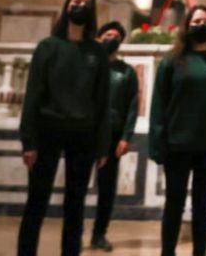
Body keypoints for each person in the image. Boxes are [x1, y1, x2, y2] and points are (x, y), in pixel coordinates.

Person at [17, 0, 111, 256]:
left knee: (75, 204)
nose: (80, 6)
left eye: (85, 3)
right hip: (48, 131)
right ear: (67, 6)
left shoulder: (97, 52)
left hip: (83, 135)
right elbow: (33, 95)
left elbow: (103, 102)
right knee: (36, 201)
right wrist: (29, 140)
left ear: (91, 11)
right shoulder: (48, 47)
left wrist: (102, 145)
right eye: (75, 1)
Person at [150, 5, 206, 256]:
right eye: (197, 21)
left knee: (203, 205)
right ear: (187, 26)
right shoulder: (172, 60)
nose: (201, 25)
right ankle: (168, 252)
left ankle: (199, 252)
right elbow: (159, 102)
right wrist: (158, 141)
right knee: (174, 204)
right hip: (177, 144)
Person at [90, 21, 141, 252]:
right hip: (86, 132)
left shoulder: (126, 72)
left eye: (117, 36)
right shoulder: (89, 66)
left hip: (112, 136)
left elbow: (132, 105)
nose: (113, 38)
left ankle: (99, 233)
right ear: (99, 38)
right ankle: (73, 233)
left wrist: (125, 136)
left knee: (107, 187)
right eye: (108, 34)